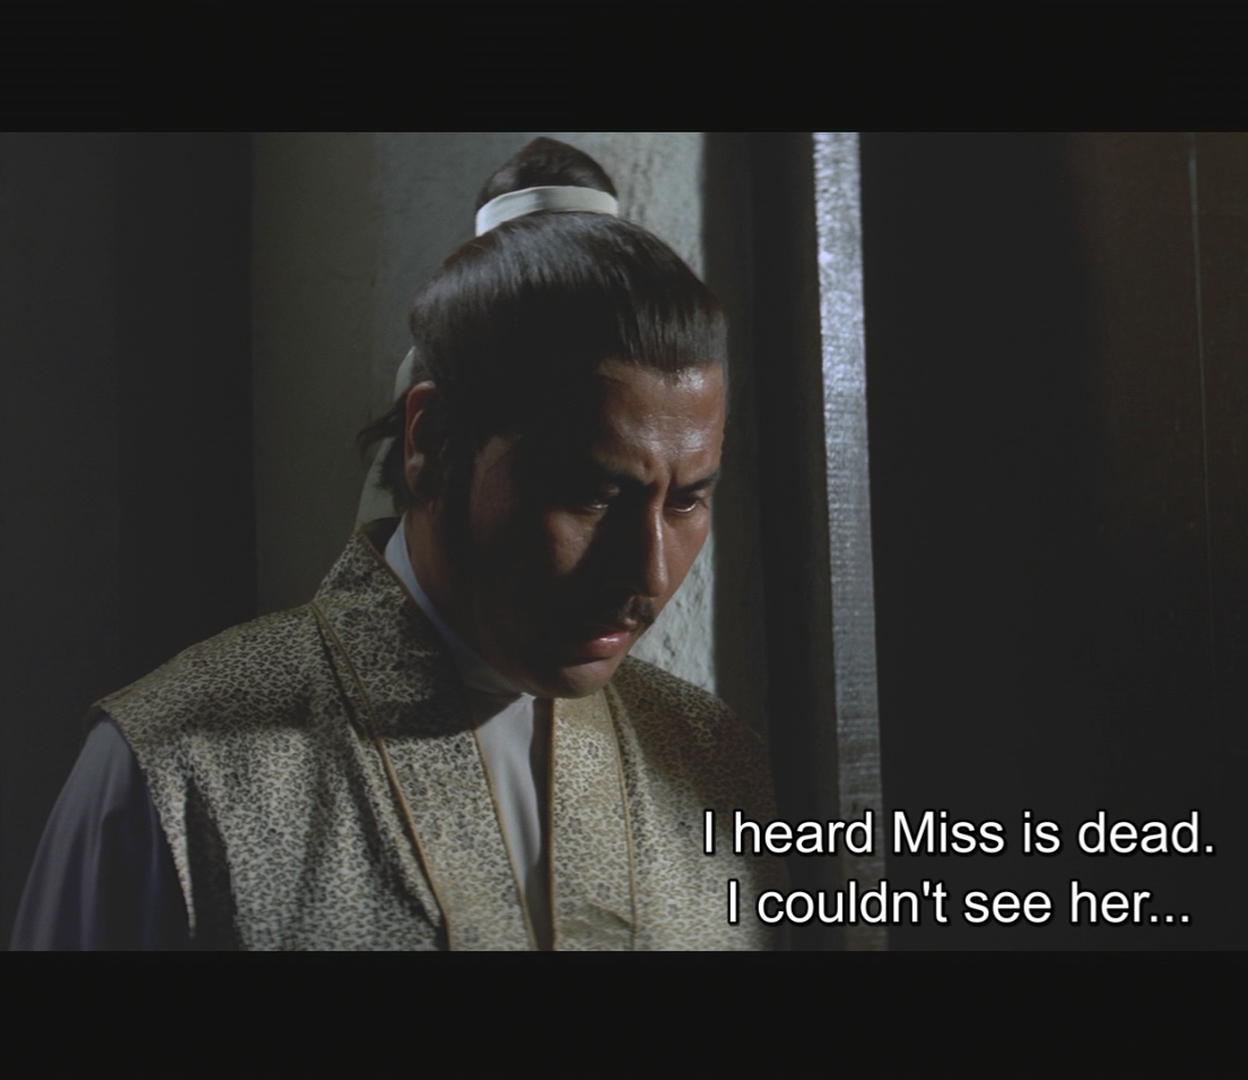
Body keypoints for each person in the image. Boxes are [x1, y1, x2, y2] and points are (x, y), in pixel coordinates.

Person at [13, 138, 784, 950]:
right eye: (591, 496)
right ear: (435, 443)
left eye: (686, 501)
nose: (648, 572)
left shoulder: (713, 762)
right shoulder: (180, 772)